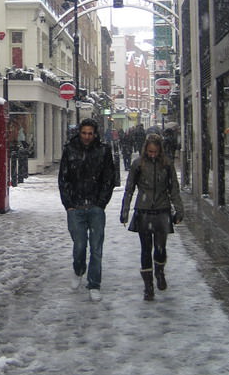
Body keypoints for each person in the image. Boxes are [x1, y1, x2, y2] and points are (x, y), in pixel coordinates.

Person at [119, 133, 184, 301]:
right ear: (145, 150)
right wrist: (125, 210)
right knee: (145, 249)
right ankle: (148, 286)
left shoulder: (167, 165)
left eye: (155, 152)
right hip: (144, 210)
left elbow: (174, 189)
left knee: (160, 248)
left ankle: (160, 271)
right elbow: (129, 188)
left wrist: (179, 210)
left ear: (160, 150)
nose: (152, 154)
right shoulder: (138, 165)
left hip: (162, 209)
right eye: (149, 151)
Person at [58, 118, 116, 301]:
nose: (87, 137)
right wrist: (69, 204)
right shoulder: (70, 150)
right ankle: (79, 269)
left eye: (90, 133)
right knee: (80, 245)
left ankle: (94, 283)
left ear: (95, 134)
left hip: (95, 206)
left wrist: (101, 202)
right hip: (75, 206)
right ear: (79, 132)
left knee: (96, 248)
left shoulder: (104, 151)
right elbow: (63, 179)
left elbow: (109, 178)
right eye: (84, 133)